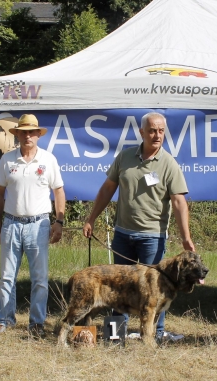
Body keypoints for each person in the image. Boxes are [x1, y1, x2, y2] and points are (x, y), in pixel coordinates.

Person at [83, 111, 195, 343]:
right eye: (152, 130)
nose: (157, 135)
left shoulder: (169, 164)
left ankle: (156, 336)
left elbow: (179, 202)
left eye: (161, 131)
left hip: (152, 238)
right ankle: (116, 336)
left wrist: (186, 238)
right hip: (123, 235)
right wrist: (91, 218)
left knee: (157, 291)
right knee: (116, 289)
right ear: (142, 132)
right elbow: (107, 189)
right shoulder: (124, 157)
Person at [0, 114, 65, 337]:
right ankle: (5, 320)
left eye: (31, 132)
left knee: (40, 279)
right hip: (11, 223)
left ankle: (36, 323)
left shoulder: (48, 159)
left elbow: (59, 191)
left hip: (39, 224)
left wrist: (59, 222)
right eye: (23, 132)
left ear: (37, 135)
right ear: (17, 135)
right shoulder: (7, 159)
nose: (27, 136)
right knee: (6, 277)